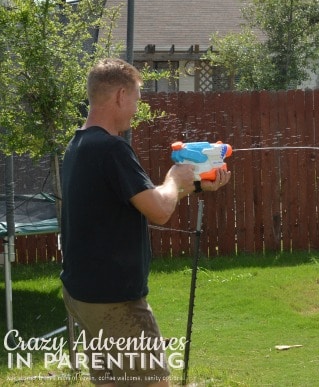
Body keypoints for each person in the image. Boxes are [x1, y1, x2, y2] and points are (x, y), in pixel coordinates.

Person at [60, 57, 231, 386]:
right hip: (115, 302)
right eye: (137, 99)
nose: (137, 110)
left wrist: (192, 184)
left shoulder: (79, 144)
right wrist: (175, 178)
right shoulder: (113, 149)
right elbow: (160, 211)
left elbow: (143, 200)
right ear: (121, 96)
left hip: (83, 295)